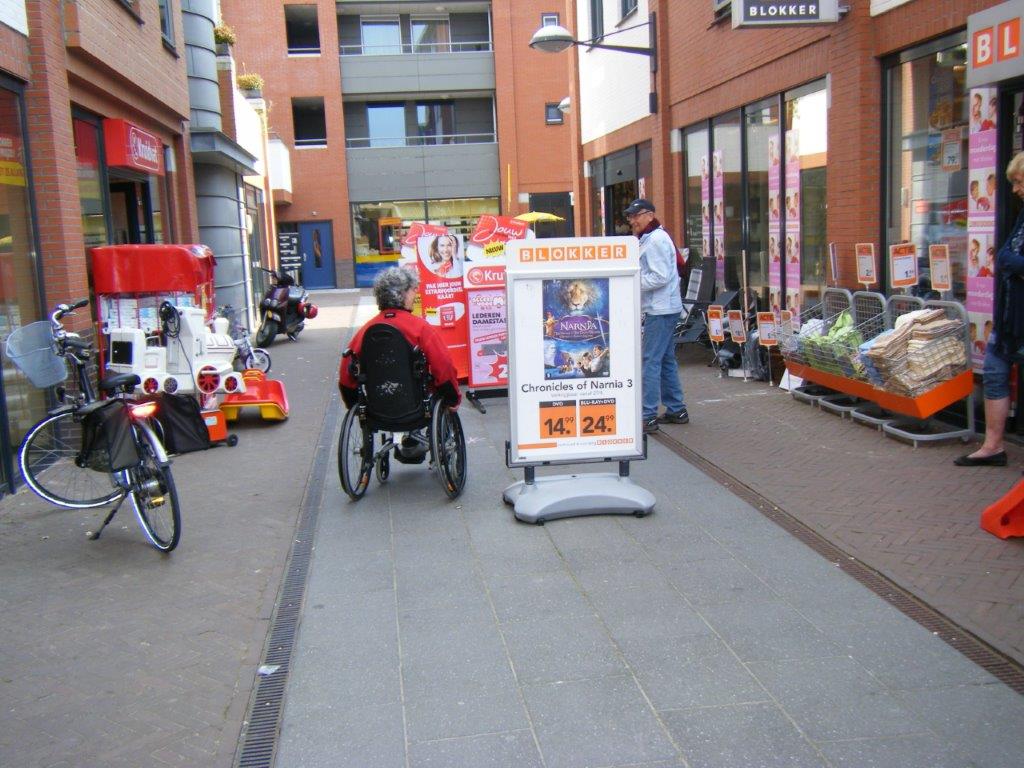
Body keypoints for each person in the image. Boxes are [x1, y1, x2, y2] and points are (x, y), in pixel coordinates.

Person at [339, 267, 461, 459]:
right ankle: (422, 441)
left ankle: (406, 444)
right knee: (437, 391)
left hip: (376, 410)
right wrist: (453, 398)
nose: (416, 293)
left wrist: (353, 403)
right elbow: (443, 367)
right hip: (418, 409)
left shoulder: (366, 330)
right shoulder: (420, 328)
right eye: (413, 289)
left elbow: (346, 374)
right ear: (401, 294)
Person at [955, 152, 1024, 467]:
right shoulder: (1022, 216)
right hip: (1010, 315)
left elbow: (1008, 258)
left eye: (1019, 181)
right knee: (995, 371)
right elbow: (1004, 255)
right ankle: (993, 446)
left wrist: (1011, 263)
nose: (1015, 189)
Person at [624, 199, 687, 433]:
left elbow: (660, 276)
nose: (632, 221)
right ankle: (676, 409)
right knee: (665, 359)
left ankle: (648, 414)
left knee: (650, 360)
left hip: (660, 309)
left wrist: (630, 282)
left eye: (636, 215)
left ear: (650, 215)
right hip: (663, 307)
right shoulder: (652, 238)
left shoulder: (657, 240)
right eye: (630, 217)